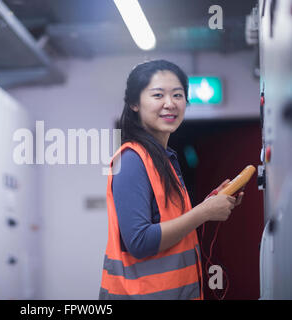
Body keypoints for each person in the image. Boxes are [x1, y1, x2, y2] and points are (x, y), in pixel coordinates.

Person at [99, 60, 244, 300]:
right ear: (134, 103)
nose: (170, 104)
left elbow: (169, 223)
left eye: (178, 95)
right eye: (158, 95)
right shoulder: (131, 160)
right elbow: (140, 241)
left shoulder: (163, 158)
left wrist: (210, 203)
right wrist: (204, 212)